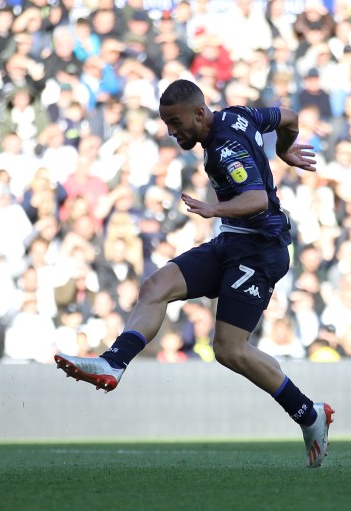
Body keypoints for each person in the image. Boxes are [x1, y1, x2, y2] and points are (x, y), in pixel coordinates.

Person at [54, 80, 334, 468]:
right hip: (232, 242)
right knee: (155, 286)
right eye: (167, 123)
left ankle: (309, 414)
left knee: (229, 350)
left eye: (175, 122)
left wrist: (213, 209)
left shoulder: (224, 148)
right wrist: (285, 148)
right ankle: (114, 363)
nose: (172, 131)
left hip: (259, 250)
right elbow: (289, 116)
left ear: (200, 113)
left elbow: (255, 199)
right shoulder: (240, 114)